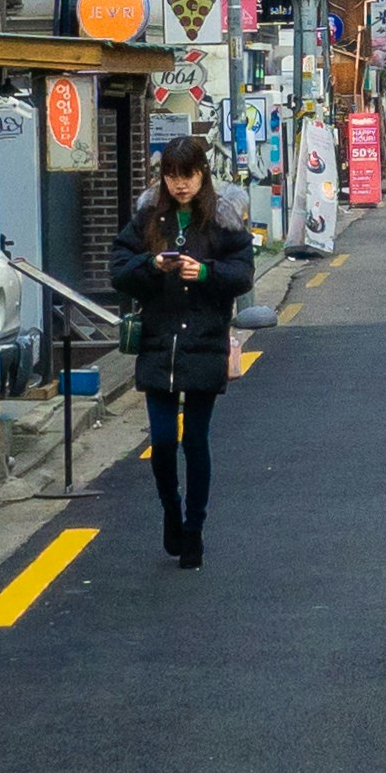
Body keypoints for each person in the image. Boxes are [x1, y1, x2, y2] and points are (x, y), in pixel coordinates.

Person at [112, 133, 253, 566]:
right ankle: (171, 514)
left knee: (194, 439)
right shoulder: (149, 218)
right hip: (159, 343)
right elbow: (119, 269)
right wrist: (152, 265)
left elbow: (243, 274)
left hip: (205, 341)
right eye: (172, 175)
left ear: (202, 173)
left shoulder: (223, 219)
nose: (180, 184)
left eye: (187, 174)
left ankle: (194, 529)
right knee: (161, 440)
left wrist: (206, 273)